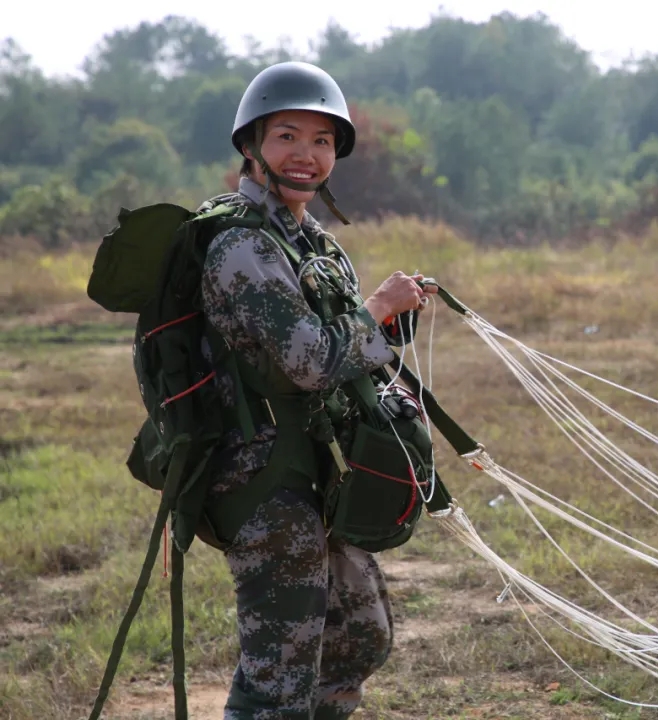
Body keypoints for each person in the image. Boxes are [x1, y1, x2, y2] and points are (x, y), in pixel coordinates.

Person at [198, 61, 438, 719]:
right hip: (261, 479)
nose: (307, 155)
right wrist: (377, 310)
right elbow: (309, 359)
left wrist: (392, 314)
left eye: (323, 141)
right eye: (287, 137)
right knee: (280, 675)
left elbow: (342, 346)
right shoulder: (241, 245)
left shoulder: (313, 242)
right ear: (251, 146)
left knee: (359, 638)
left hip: (321, 467)